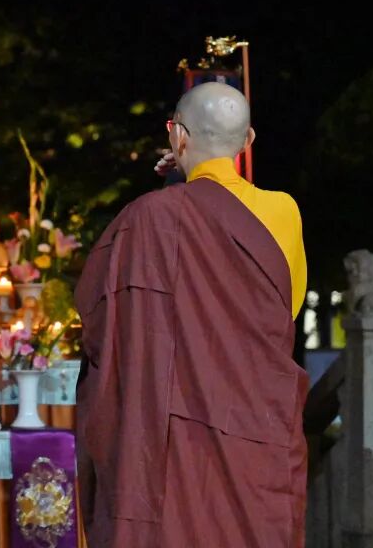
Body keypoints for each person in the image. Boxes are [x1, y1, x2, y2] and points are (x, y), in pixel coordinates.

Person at [75, 82, 308, 547]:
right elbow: (285, 311)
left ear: (177, 138)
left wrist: (171, 185)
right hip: (255, 435)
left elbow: (107, 319)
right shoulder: (284, 211)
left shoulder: (147, 218)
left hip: (173, 444)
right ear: (249, 141)